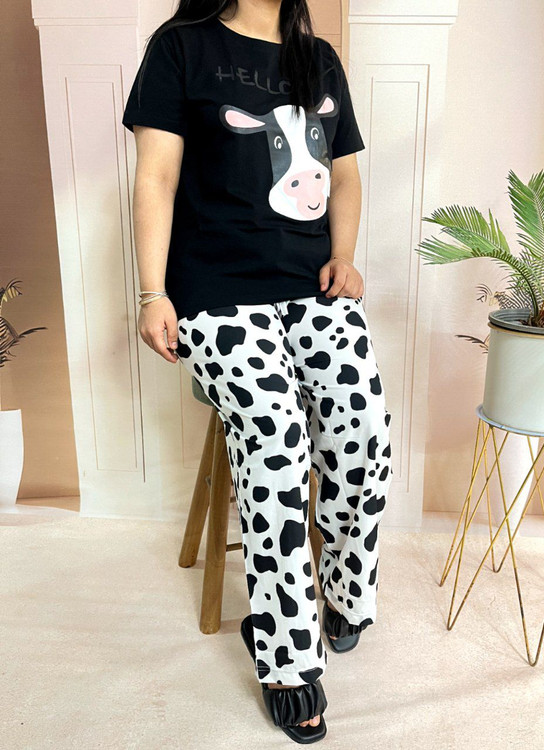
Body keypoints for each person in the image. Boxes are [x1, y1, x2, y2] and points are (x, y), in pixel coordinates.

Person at [122, 0, 393, 743]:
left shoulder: (319, 58)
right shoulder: (181, 48)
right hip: (215, 292)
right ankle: (284, 655)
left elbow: (344, 176)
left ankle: (344, 590)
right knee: (276, 438)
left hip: (311, 286)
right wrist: (152, 293)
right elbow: (156, 178)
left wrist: (344, 255)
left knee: (364, 427)